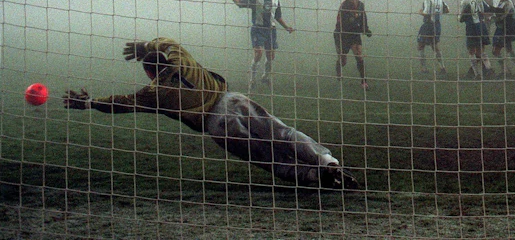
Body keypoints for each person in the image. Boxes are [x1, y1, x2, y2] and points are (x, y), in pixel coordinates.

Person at [62, 37, 359, 190]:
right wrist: (147, 45)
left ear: (148, 71)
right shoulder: (182, 59)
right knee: (282, 133)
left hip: (216, 124)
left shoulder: (155, 93)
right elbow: (169, 42)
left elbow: (122, 103)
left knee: (267, 158)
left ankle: (314, 177)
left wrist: (88, 103)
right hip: (233, 100)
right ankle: (326, 161)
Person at [224, 0, 295, 91]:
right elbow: (239, 3)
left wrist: (286, 27)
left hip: (271, 30)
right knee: (258, 53)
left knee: (270, 56)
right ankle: (252, 80)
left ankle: (265, 77)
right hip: (258, 29)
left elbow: (277, 16)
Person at [334, 0, 373, 89]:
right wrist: (359, 28)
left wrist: (366, 29)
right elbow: (344, 22)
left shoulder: (361, 6)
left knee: (359, 56)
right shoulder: (344, 5)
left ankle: (364, 82)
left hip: (354, 34)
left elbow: (363, 18)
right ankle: (338, 69)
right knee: (343, 61)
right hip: (342, 34)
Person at [458, 0, 494, 79]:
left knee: (471, 51)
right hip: (481, 26)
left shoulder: (465, 1)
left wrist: (465, 14)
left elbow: (460, 18)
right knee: (480, 50)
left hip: (472, 27)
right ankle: (489, 69)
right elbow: (487, 10)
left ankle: (477, 74)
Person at [417, 0, 449, 76]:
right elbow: (447, 10)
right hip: (437, 25)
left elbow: (426, 13)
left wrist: (420, 12)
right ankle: (442, 67)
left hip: (428, 24)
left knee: (420, 45)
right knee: (435, 46)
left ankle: (423, 68)